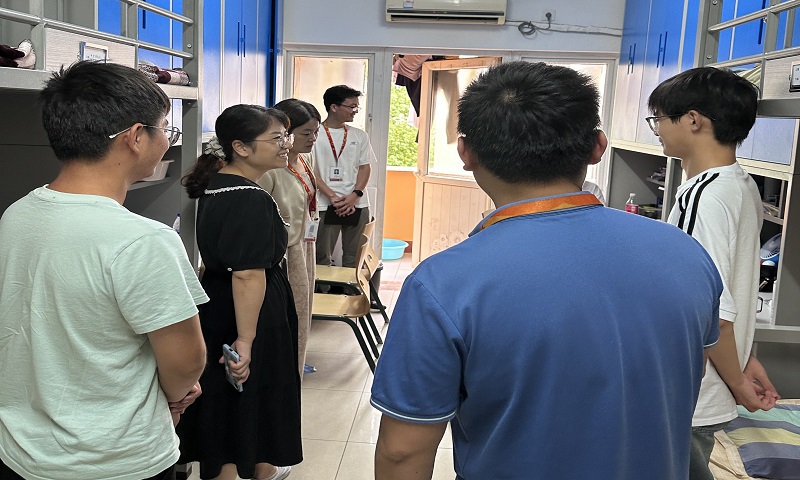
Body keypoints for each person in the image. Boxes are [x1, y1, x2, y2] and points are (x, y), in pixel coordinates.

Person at [370, 61, 723, 479]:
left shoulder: (442, 284)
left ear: (465, 152)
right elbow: (685, 376)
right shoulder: (686, 255)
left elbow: (402, 452)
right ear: (598, 146)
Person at [0, 61, 208, 480]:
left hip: (20, 451)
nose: (167, 141)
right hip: (115, 459)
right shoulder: (144, 240)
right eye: (165, 130)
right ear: (135, 137)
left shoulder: (17, 213)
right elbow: (186, 361)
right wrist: (173, 401)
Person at [647, 66, 781, 480]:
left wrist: (738, 382)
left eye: (658, 119)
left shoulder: (702, 196)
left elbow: (707, 310)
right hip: (711, 382)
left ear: (693, 120)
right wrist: (745, 359)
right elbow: (730, 288)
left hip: (692, 389)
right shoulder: (741, 185)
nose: (657, 129)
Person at [177, 104, 302, 480]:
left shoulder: (220, 184)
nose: (286, 145)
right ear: (241, 147)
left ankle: (259, 465)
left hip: (221, 300)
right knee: (241, 392)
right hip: (246, 310)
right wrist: (245, 340)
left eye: (286, 136)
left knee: (234, 399)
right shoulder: (249, 197)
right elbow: (247, 275)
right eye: (277, 138)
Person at [258, 98, 321, 378]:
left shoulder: (304, 160)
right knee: (289, 315)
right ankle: (286, 374)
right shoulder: (270, 170)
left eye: (316, 132)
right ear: (285, 133)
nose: (313, 139)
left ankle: (296, 365)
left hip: (305, 246)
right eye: (306, 133)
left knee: (302, 313)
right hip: (284, 254)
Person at [312, 85, 376, 267]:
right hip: (324, 204)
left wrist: (355, 195)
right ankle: (322, 287)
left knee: (355, 257)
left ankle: (350, 286)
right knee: (321, 257)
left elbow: (365, 167)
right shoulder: (314, 135)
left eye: (357, 106)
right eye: (352, 106)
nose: (355, 110)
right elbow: (310, 171)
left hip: (357, 203)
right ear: (334, 107)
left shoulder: (359, 135)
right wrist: (332, 196)